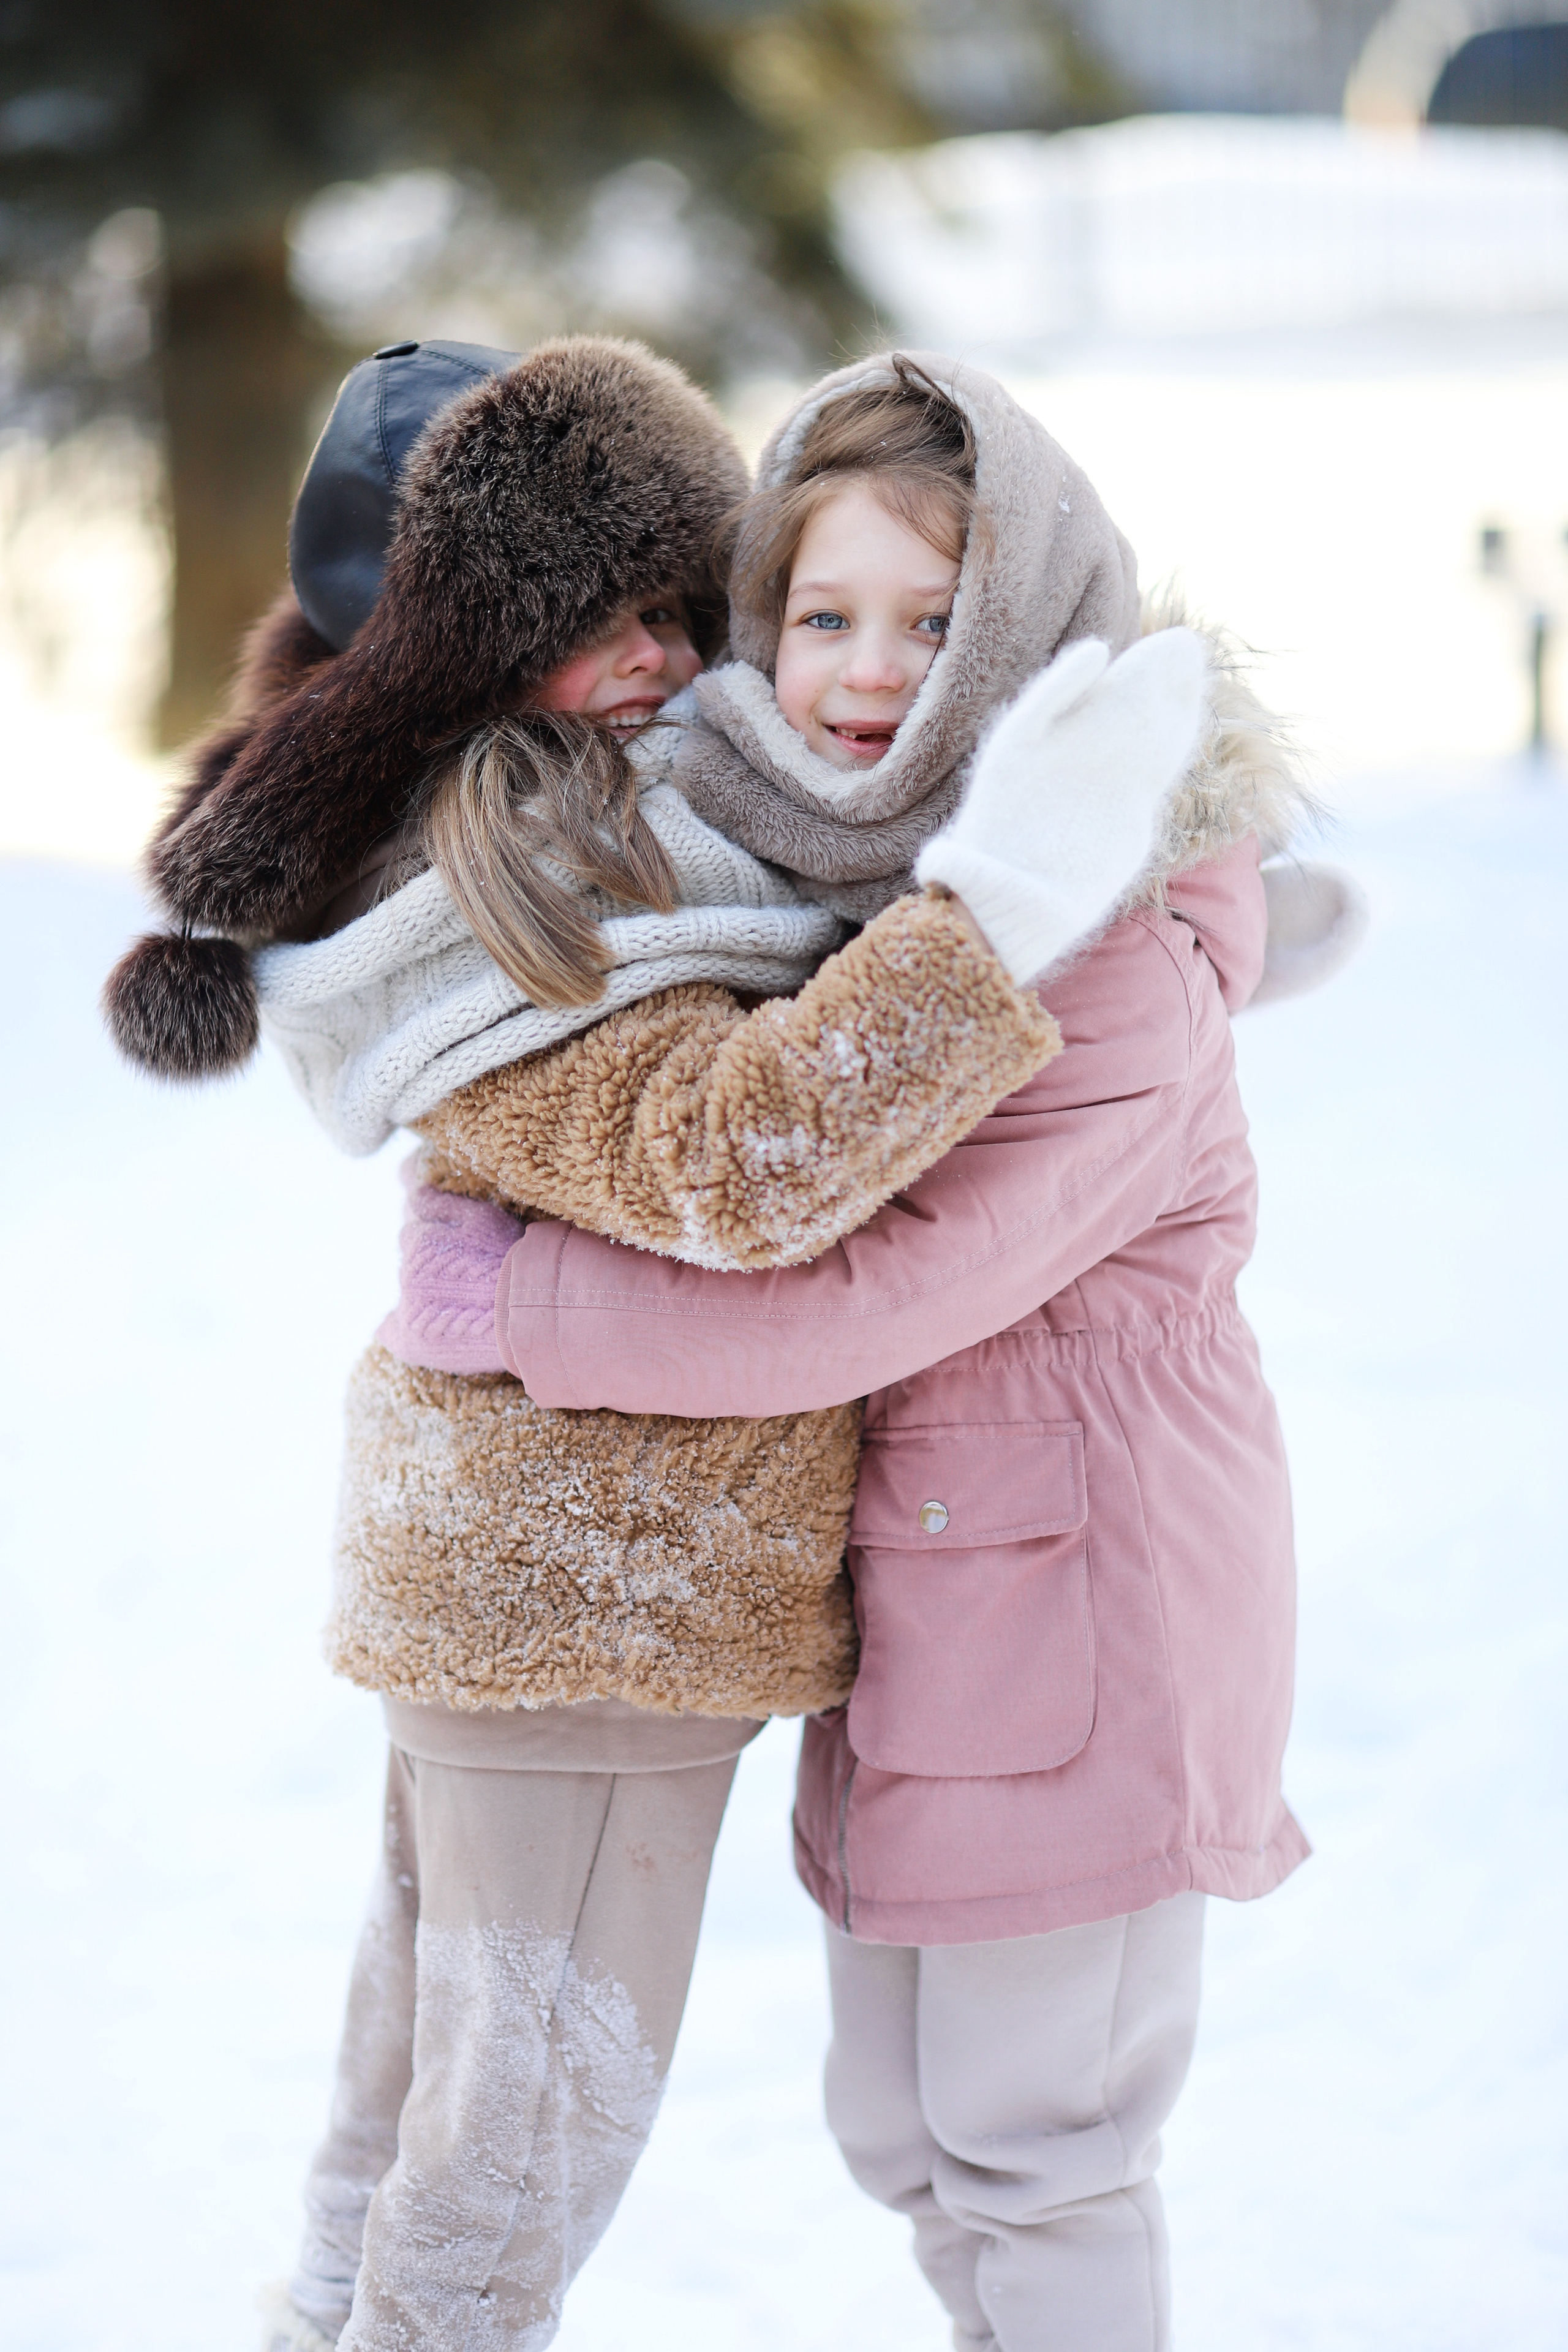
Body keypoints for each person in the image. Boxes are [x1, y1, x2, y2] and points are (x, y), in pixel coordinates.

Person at [104, 340, 1209, 2351]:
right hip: (604, 1592)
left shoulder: (623, 812)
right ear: (456, 650)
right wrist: (1012, 895)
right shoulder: (505, 890)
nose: (654, 656)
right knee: (507, 2165)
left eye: (675, 601)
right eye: (573, 619)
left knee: (413, 2116)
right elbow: (749, 1155)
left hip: (534, 1590)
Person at [390, 352, 1329, 2352]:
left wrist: (519, 1310)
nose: (868, 672)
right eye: (823, 614)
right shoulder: (885, 911)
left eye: (935, 620)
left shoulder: (1097, 952)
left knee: (1037, 2144)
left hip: (1093, 1611)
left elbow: (878, 1283)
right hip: (948, 1616)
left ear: (1031, 641)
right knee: (910, 2134)